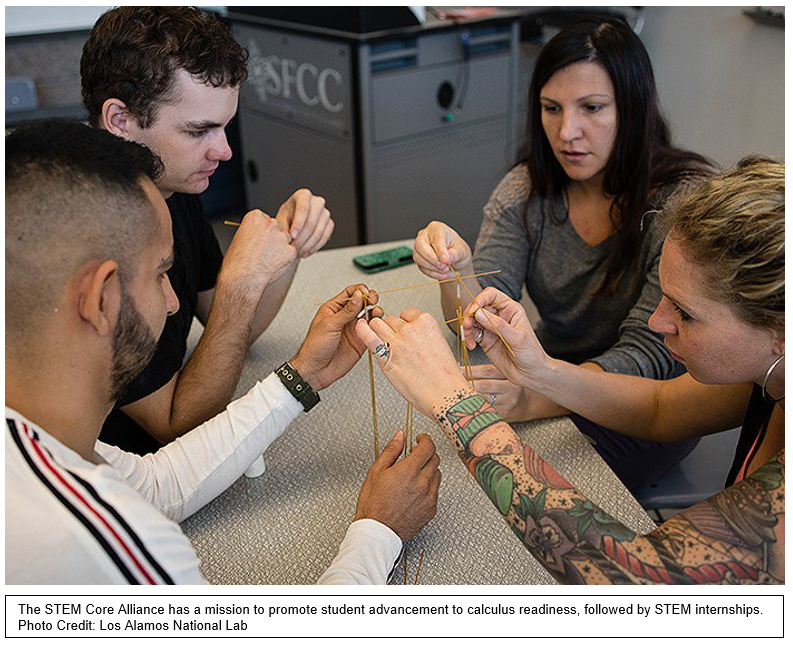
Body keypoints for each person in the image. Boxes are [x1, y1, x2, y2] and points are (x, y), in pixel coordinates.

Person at [5, 120, 439, 585]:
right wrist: (379, 532)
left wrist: (301, 377)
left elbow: (158, 484)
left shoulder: (39, 433)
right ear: (101, 298)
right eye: (161, 274)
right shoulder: (106, 541)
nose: (174, 302)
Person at [358, 157, 784, 584]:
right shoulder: (769, 371)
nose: (657, 321)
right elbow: (661, 407)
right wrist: (541, 371)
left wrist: (455, 403)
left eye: (686, 314)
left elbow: (632, 581)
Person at [412, 17, 714, 490]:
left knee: (523, 492)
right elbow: (476, 322)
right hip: (542, 376)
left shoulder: (681, 205)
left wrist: (535, 394)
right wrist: (458, 271)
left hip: (641, 406)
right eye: (551, 108)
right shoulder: (526, 189)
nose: (567, 131)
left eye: (591, 107)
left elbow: (647, 358)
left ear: (633, 109)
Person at [80, 6, 335, 454]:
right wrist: (239, 285)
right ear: (120, 120)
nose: (224, 151)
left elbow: (234, 331)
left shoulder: (170, 183)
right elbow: (176, 428)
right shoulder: (93, 237)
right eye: (200, 131)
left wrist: (285, 242)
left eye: (224, 126)